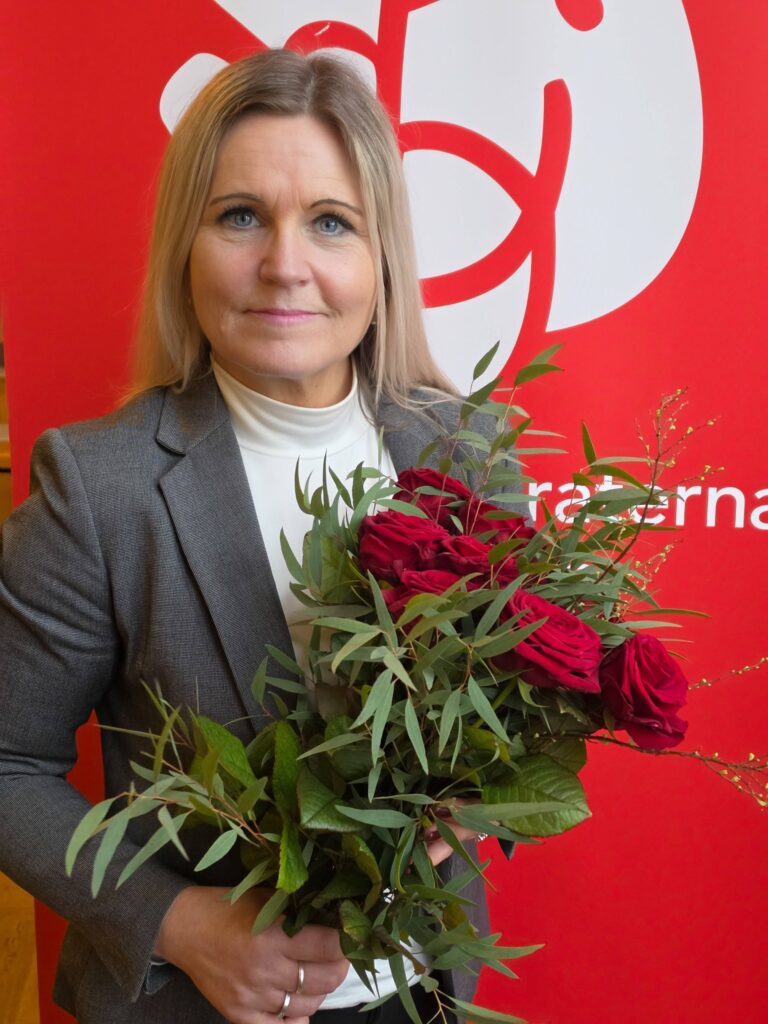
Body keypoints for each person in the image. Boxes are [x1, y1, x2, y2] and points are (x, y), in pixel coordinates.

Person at [0, 49, 500, 1023]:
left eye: (331, 221)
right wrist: (182, 923)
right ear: (184, 245)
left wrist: (474, 796)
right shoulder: (96, 488)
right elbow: (8, 763)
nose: (284, 264)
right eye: (240, 216)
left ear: (381, 257)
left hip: (423, 988)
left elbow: (523, 723)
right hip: (191, 1002)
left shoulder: (471, 455)